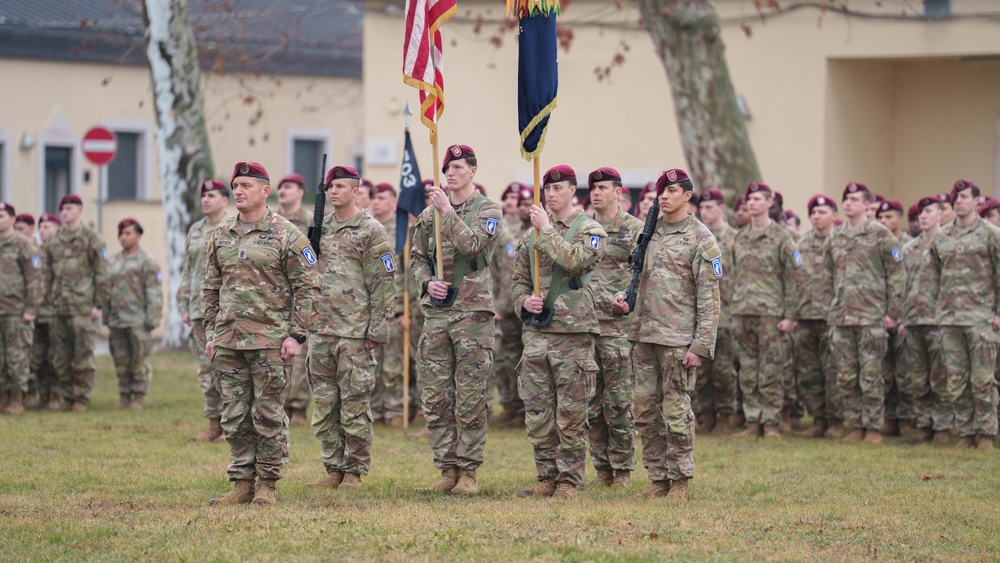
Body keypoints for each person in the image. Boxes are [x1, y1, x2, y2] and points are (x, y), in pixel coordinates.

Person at [204, 161, 320, 506]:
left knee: (267, 413)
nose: (238, 191)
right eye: (235, 185)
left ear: (264, 191)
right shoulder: (221, 234)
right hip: (228, 340)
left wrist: (296, 335)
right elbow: (211, 287)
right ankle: (241, 482)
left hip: (270, 341)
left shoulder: (287, 234)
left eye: (246, 186)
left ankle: (267, 483)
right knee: (235, 415)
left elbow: (310, 287)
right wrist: (212, 331)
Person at [611, 168, 721, 502]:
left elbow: (710, 298)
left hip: (677, 339)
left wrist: (700, 345)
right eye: (662, 190)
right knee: (644, 412)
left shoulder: (702, 239)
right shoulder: (649, 233)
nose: (664, 196)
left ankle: (680, 481)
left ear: (688, 196)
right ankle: (658, 479)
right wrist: (623, 300)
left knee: (675, 413)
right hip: (643, 334)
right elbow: (639, 278)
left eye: (672, 190)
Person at [409, 144, 502, 495]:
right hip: (437, 315)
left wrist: (447, 212)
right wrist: (425, 281)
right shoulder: (427, 214)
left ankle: (468, 472)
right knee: (435, 395)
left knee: (471, 397)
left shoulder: (487, 210)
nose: (450, 172)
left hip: (472, 315)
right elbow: (417, 257)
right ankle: (447, 467)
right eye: (447, 167)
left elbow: (475, 246)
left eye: (458, 167)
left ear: (473, 172)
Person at [510, 164, 606, 499]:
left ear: (572, 192)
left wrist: (547, 230)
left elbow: (576, 261)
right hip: (538, 333)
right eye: (546, 190)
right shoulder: (531, 234)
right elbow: (518, 280)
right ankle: (545, 476)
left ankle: (569, 480)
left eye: (557, 189)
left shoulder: (590, 228)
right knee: (538, 411)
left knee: (571, 412)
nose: (550, 194)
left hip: (572, 333)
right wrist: (524, 302)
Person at [305, 165, 394, 489]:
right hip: (321, 329)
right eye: (331, 187)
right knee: (326, 404)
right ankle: (333, 468)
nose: (334, 191)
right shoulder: (320, 227)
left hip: (355, 331)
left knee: (355, 404)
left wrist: (377, 329)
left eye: (341, 186)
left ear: (356, 191)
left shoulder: (370, 229)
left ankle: (354, 471)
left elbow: (383, 281)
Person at [824, 181, 905, 445]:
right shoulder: (835, 236)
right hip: (842, 316)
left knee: (871, 374)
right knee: (846, 376)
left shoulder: (882, 235)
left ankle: (873, 428)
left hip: (872, 316)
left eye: (854, 199)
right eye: (845, 199)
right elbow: (827, 274)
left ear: (867, 205)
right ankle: (856, 424)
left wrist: (893, 312)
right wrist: (831, 306)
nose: (848, 203)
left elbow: (897, 274)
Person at [928, 179, 1000, 450]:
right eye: (955, 197)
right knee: (956, 380)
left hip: (981, 317)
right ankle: (967, 432)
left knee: (982, 379)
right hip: (949, 318)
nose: (959, 201)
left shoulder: (991, 234)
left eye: (965, 197)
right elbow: (935, 275)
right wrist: (937, 309)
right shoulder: (942, 236)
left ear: (977, 202)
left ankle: (986, 434)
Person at [581, 167, 641, 488]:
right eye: (593, 187)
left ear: (618, 192)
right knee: (591, 403)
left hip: (618, 328)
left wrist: (630, 302)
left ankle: (623, 470)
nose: (596, 192)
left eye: (603, 187)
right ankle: (602, 468)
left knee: (618, 402)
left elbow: (644, 277)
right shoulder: (581, 227)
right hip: (585, 326)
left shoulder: (634, 230)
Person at [730, 182, 800, 440]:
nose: (752, 203)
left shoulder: (783, 238)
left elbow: (794, 278)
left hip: (771, 313)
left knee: (770, 369)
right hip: (742, 311)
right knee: (747, 370)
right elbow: (733, 274)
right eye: (750, 199)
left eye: (758, 199)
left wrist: (790, 315)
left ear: (770, 203)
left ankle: (771, 422)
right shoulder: (739, 237)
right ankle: (752, 421)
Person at [44, 194, 110, 412]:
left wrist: (98, 304)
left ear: (80, 210)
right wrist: (46, 301)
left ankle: (80, 398)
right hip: (58, 305)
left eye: (70, 208)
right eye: (63, 209)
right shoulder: (53, 240)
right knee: (59, 356)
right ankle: (65, 395)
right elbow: (47, 274)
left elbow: (102, 273)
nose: (65, 212)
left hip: (83, 306)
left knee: (82, 355)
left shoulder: (92, 238)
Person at [179, 180, 230, 442]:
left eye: (212, 195)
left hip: (226, 309)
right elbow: (187, 269)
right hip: (200, 310)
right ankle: (213, 424)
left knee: (227, 369)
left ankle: (230, 426)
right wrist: (184, 303)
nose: (206, 200)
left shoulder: (233, 227)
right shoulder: (196, 230)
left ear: (224, 200)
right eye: (203, 196)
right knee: (205, 368)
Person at [794, 195, 843, 438]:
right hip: (805, 316)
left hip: (832, 317)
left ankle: (836, 421)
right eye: (813, 213)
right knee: (809, 372)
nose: (817, 216)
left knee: (833, 370)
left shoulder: (841, 242)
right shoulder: (801, 244)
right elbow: (794, 280)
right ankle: (817, 418)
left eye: (822, 212)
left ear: (835, 215)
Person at [897, 196, 943, 443]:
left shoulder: (947, 245)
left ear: (941, 215)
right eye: (920, 213)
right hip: (914, 320)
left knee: (942, 376)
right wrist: (901, 318)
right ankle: (924, 424)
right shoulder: (907, 249)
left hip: (940, 319)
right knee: (917, 376)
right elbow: (901, 285)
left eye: (928, 212)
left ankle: (944, 426)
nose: (923, 217)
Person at [692, 188, 738, 433]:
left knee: (723, 370)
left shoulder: (734, 238)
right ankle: (706, 415)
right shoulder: (697, 236)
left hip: (728, 314)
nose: (705, 211)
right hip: (702, 314)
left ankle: (726, 416)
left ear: (722, 207)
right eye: (703, 207)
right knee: (703, 371)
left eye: (710, 207)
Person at [104, 218, 163, 410]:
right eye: (121, 234)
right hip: (117, 319)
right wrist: (106, 316)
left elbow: (154, 291)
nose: (123, 237)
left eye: (128, 233)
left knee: (138, 360)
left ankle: (137, 396)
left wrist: (152, 318)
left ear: (138, 235)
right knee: (120, 360)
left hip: (138, 320)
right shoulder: (112, 261)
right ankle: (123, 395)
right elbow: (106, 291)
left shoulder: (147, 261)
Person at [275, 173, 313, 427]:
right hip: (275, 295)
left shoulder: (311, 221)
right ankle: (277, 403)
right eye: (279, 187)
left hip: (300, 294)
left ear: (300, 191)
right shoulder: (272, 220)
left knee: (300, 354)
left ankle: (297, 407)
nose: (282, 191)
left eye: (287, 187)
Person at [490, 184, 529, 428]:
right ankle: (511, 405)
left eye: (524, 203)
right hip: (506, 302)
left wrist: (504, 305)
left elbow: (509, 273)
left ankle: (525, 409)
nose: (518, 206)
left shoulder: (534, 231)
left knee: (525, 359)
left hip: (522, 304)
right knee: (506, 358)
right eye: (516, 202)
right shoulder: (504, 233)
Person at [0, 201, 43, 415]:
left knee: (16, 357)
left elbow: (34, 279)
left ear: (12, 220)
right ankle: (2, 397)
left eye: (1, 216)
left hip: (16, 311)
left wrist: (31, 309)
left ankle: (16, 398)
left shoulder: (24, 245)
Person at [368, 182, 406, 426]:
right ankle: (376, 410)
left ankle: (394, 410)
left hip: (395, 307)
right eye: (374, 198)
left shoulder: (403, 231)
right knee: (372, 362)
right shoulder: (369, 229)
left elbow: (408, 274)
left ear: (393, 201)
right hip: (371, 306)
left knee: (393, 363)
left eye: (382, 198)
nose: (376, 202)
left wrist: (404, 309)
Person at [26, 213, 60, 409]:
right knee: (35, 357)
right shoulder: (33, 252)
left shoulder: (63, 251)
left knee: (56, 358)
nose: (42, 230)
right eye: (41, 227)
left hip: (56, 312)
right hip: (37, 313)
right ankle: (40, 395)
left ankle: (55, 396)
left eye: (47, 226)